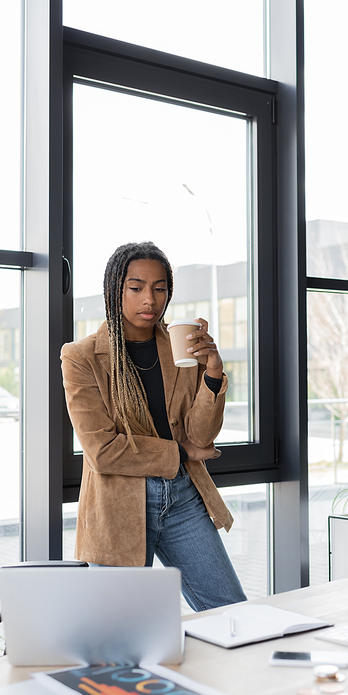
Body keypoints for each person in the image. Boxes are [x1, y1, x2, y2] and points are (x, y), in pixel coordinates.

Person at [61, 241, 247, 611]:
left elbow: (200, 436)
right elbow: (103, 452)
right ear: (115, 290)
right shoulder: (81, 357)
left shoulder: (181, 347)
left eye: (159, 288)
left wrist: (212, 372)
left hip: (183, 499)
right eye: (136, 287)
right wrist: (180, 452)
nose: (150, 298)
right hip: (118, 507)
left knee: (230, 612)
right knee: (121, 634)